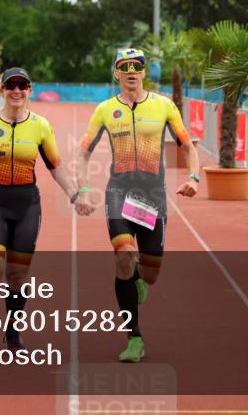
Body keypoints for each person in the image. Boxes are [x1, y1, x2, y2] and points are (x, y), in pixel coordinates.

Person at [74, 48, 200, 363]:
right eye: (124, 66)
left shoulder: (164, 106)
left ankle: (140, 281)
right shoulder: (105, 109)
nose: (131, 71)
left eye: (137, 66)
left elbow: (187, 146)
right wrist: (85, 189)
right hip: (119, 190)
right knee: (124, 257)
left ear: (144, 72)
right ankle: (135, 338)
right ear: (116, 73)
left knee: (150, 273)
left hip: (152, 195)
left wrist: (194, 177)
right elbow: (83, 153)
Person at [0, 67, 93, 351]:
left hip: (26, 203)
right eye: (10, 86)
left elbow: (55, 166)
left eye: (22, 86)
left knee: (17, 276)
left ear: (30, 90)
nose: (16, 91)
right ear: (1, 90)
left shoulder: (41, 126)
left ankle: (13, 330)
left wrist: (74, 195)